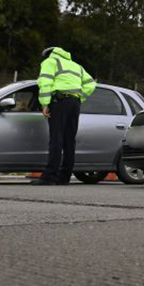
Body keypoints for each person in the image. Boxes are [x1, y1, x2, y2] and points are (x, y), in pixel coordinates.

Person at [33, 47, 96, 185]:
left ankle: (49, 177)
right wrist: (79, 97)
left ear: (48, 55)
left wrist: (45, 104)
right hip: (74, 104)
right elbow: (91, 84)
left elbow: (45, 83)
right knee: (69, 140)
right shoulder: (76, 66)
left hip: (59, 102)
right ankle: (64, 177)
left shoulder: (50, 62)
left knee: (56, 139)